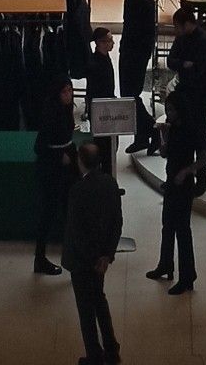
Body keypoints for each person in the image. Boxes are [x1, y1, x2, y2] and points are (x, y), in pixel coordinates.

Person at [62, 140, 123, 365]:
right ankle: (111, 349)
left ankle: (94, 355)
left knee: (86, 310)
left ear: (80, 162)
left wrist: (89, 258)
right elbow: (117, 222)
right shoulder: (110, 183)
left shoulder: (78, 190)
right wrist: (106, 255)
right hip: (101, 259)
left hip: (82, 260)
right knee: (99, 300)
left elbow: (77, 230)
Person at [146, 89, 200, 294]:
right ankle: (165, 264)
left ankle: (187, 276)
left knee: (182, 231)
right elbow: (164, 153)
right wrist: (163, 133)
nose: (168, 112)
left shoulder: (190, 129)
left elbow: (202, 158)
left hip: (184, 186)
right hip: (171, 183)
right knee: (167, 226)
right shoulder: (173, 128)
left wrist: (186, 172)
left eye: (171, 109)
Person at [167, 4, 206, 192]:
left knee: (201, 138)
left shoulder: (204, 41)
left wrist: (186, 66)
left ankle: (201, 182)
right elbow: (171, 61)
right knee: (183, 137)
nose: (176, 30)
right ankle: (178, 176)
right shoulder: (181, 38)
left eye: (177, 26)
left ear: (187, 24)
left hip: (200, 96)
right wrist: (183, 64)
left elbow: (199, 70)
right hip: (185, 92)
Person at [32, 75, 77, 275]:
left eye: (70, 90)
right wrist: (60, 156)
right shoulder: (50, 113)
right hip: (51, 170)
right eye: (65, 91)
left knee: (69, 211)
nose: (69, 95)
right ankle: (40, 258)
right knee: (47, 214)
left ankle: (71, 256)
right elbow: (40, 146)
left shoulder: (66, 110)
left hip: (66, 168)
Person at [121, 0, 159, 156]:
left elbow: (149, 34)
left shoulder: (147, 1)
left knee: (132, 95)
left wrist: (143, 55)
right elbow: (127, 24)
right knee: (127, 95)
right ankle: (142, 136)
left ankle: (153, 130)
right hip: (127, 50)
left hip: (137, 53)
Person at [86, 26, 117, 176]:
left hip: (106, 106)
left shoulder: (103, 58)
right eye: (110, 40)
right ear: (100, 43)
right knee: (104, 148)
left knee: (109, 146)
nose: (113, 43)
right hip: (101, 109)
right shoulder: (96, 63)